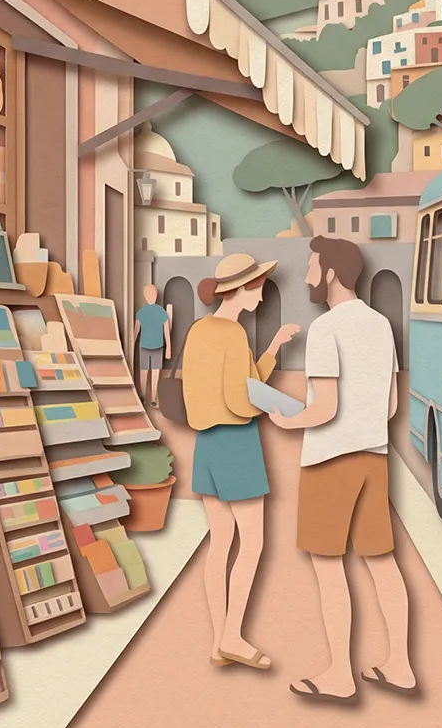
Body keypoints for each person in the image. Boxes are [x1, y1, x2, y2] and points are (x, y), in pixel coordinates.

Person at [269, 236, 417, 703]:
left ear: (331, 273)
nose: (310, 275)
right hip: (373, 457)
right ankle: (401, 665)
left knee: (329, 567)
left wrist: (287, 417)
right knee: (382, 561)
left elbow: (325, 408)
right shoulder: (381, 326)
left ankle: (340, 673)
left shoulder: (327, 330)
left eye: (313, 267)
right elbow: (392, 405)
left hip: (330, 460)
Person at [183, 253, 298, 671]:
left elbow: (236, 383)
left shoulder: (200, 330)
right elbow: (241, 397)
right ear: (242, 289)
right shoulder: (231, 334)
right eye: (259, 285)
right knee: (252, 543)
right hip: (237, 444)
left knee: (220, 544)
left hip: (206, 445)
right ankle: (233, 637)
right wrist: (273, 409)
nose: (264, 292)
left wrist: (272, 348)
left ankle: (218, 641)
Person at [132, 284, 170, 409]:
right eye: (148, 294)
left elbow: (166, 332)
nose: (151, 297)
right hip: (144, 346)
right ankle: (143, 396)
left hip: (158, 346)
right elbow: (136, 331)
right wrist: (130, 345)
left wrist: (168, 348)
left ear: (156, 296)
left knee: (155, 373)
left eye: (152, 294)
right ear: (145, 297)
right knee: (144, 373)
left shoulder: (161, 312)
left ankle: (153, 397)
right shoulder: (141, 312)